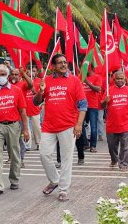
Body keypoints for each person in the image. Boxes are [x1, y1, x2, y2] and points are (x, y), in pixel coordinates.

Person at [33, 54, 87, 202]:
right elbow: (35, 102)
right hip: (49, 126)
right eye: (60, 63)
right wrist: (41, 91)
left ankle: (63, 189)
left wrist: (79, 124)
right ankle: (55, 180)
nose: (63, 65)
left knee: (66, 159)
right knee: (44, 154)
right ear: (53, 66)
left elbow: (83, 105)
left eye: (65, 62)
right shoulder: (47, 81)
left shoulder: (74, 81)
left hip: (68, 126)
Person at [0, 64, 29, 196]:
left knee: (14, 153)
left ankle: (14, 179)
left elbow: (22, 111)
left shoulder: (16, 90)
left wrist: (26, 129)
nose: (0, 77)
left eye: (3, 74)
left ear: (8, 76)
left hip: (13, 125)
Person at [101, 71, 128, 172]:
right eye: (118, 79)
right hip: (111, 124)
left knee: (125, 146)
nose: (120, 80)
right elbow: (101, 106)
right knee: (111, 146)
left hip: (125, 123)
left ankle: (124, 164)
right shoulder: (109, 91)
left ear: (125, 79)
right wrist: (105, 101)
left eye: (122, 78)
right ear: (114, 79)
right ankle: (114, 159)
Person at [9, 67, 33, 167]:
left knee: (20, 140)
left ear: (20, 76)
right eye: (12, 74)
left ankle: (21, 159)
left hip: (21, 118)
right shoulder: (8, 85)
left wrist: (24, 74)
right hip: (10, 118)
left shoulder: (23, 84)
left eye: (16, 74)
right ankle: (13, 158)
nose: (14, 76)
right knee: (11, 141)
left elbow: (31, 84)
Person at [82, 66, 102, 152]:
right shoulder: (81, 77)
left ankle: (93, 146)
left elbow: (98, 89)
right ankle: (85, 144)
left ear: (91, 68)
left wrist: (87, 83)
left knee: (93, 127)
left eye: (86, 68)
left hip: (92, 106)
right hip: (82, 106)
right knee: (81, 125)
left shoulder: (97, 77)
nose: (84, 69)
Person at [24, 66, 42, 151]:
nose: (30, 77)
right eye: (28, 75)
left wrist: (41, 104)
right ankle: (27, 145)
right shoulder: (23, 83)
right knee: (26, 128)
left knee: (37, 128)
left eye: (31, 75)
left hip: (35, 109)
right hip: (25, 110)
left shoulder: (39, 81)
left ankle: (39, 143)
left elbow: (41, 94)